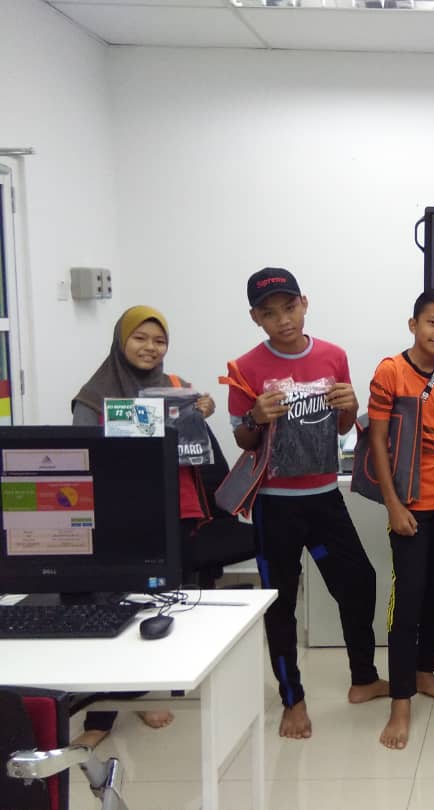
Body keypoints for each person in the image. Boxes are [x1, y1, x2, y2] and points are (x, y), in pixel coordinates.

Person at [227, 268, 387, 740]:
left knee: (359, 582)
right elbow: (243, 439)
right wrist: (255, 416)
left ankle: (363, 678)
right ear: (255, 318)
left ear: (304, 303)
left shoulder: (333, 356)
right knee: (281, 602)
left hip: (323, 497)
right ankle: (292, 700)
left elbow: (342, 428)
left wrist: (350, 406)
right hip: (274, 503)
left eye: (290, 307)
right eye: (270, 313)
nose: (283, 320)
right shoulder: (244, 367)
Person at [71, 305, 216, 744]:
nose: (151, 348)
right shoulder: (93, 396)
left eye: (159, 341)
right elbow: (84, 456)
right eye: (141, 338)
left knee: (165, 604)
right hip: (120, 516)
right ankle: (101, 718)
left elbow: (189, 442)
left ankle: (151, 689)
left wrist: (201, 411)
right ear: (121, 340)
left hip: (172, 508)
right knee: (115, 609)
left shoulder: (176, 387)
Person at [367, 288, 434, 750]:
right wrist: (393, 505)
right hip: (410, 508)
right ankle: (400, 700)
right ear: (413, 325)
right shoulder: (390, 371)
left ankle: (425, 671)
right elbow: (378, 441)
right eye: (432, 323)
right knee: (406, 603)